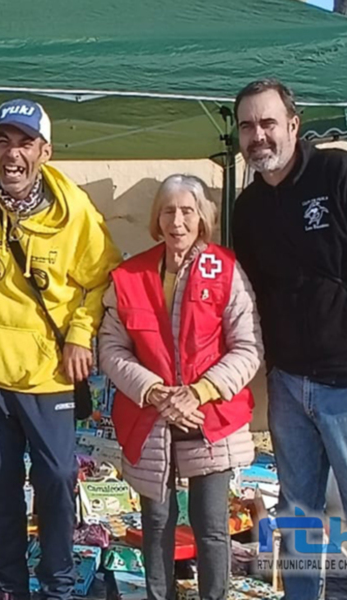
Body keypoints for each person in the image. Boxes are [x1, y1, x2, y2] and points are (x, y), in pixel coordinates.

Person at [0, 99, 121, 600]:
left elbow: (102, 280)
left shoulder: (74, 207)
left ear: (45, 151)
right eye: (3, 141)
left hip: (50, 371)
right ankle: (10, 584)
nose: (13, 154)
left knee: (56, 478)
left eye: (25, 143)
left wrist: (81, 334)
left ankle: (56, 585)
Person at [99, 175, 261, 600]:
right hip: (149, 415)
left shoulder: (225, 269)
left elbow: (247, 348)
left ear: (202, 217)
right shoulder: (130, 274)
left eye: (187, 210)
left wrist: (200, 391)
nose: (177, 221)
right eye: (168, 211)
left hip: (210, 416)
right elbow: (111, 348)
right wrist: (154, 391)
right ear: (157, 218)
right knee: (156, 524)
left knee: (211, 527)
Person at [232, 79, 347, 600]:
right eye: (248, 126)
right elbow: (248, 295)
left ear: (294, 125)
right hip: (287, 384)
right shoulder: (248, 206)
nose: (258, 135)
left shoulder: (337, 173)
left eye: (268, 122)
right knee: (297, 509)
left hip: (345, 384)